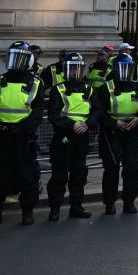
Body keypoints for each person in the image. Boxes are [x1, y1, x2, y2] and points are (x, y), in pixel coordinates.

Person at [0, 41, 45, 225]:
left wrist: (25, 129)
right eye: (13, 57)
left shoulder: (35, 82)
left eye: (20, 58)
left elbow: (37, 110)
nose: (16, 62)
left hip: (22, 137)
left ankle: (27, 212)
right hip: (0, 136)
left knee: (26, 176)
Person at [46, 51, 97, 221]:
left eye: (78, 68)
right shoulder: (58, 89)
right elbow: (54, 114)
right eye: (72, 68)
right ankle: (54, 209)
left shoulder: (89, 89)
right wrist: (72, 124)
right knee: (59, 174)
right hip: (63, 136)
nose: (75, 72)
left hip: (81, 136)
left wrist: (87, 123)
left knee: (79, 173)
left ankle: (76, 207)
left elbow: (97, 111)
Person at [97, 51, 138, 214]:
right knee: (111, 170)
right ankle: (109, 203)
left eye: (128, 68)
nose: (125, 72)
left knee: (131, 169)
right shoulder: (106, 87)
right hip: (112, 134)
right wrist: (114, 123)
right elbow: (99, 112)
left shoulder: (137, 86)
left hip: (131, 132)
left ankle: (129, 202)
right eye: (122, 68)